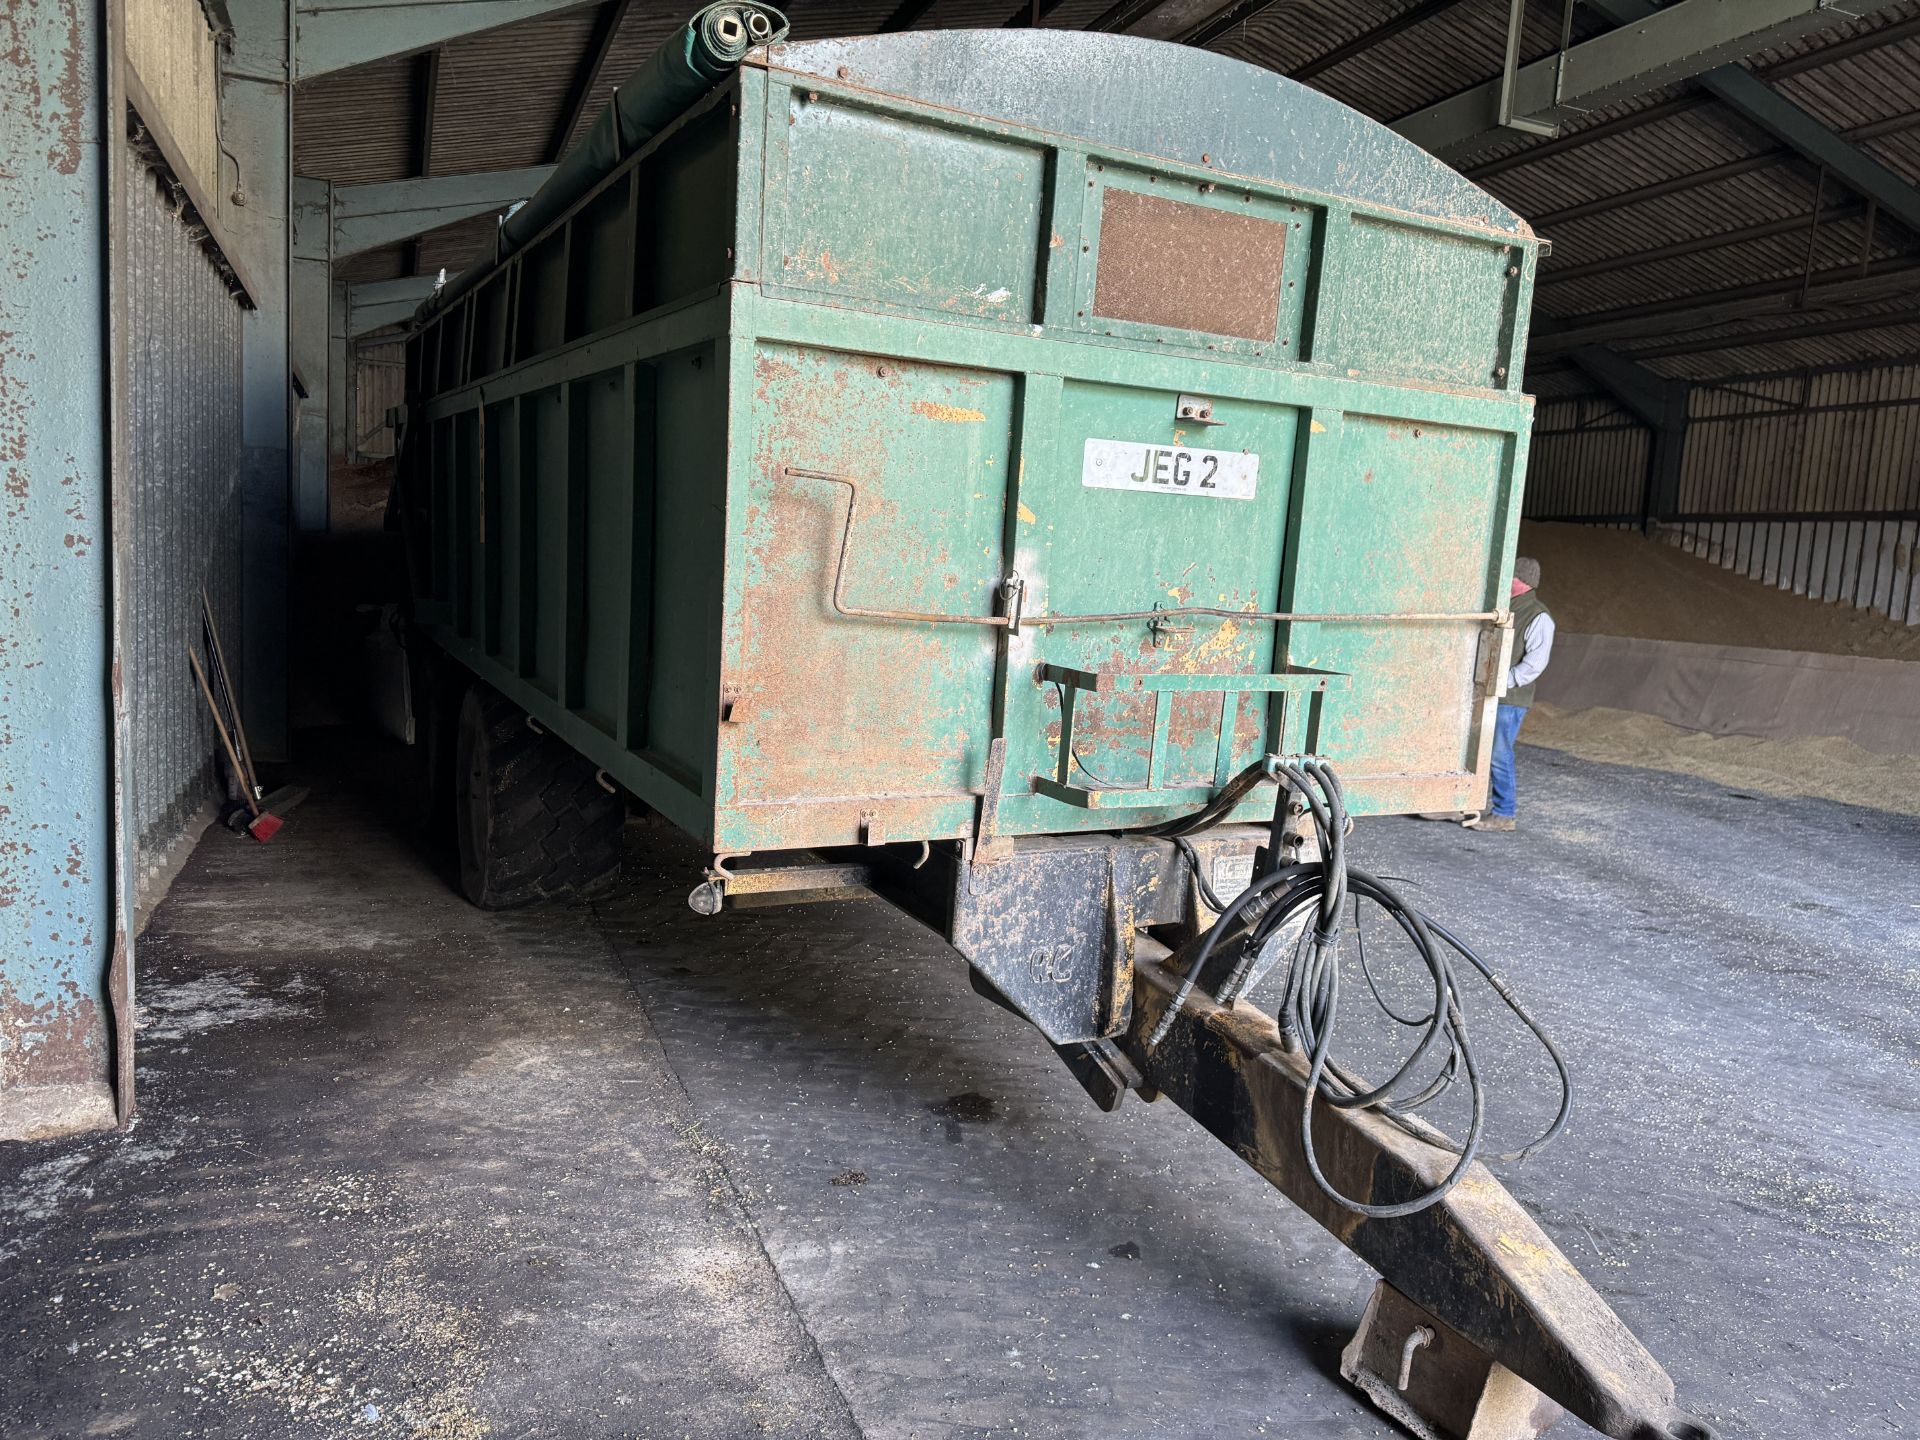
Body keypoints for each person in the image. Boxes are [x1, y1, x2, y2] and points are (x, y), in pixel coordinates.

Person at [1469, 556, 1553, 833]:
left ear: (1523, 582)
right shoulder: (1503, 609)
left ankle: (1504, 814)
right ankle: (1461, 804)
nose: (1506, 581)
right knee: (1469, 748)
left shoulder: (1539, 616)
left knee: (1498, 754)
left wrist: (1502, 681)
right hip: (1487, 693)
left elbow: (1534, 665)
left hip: (1509, 699)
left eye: (1511, 577)